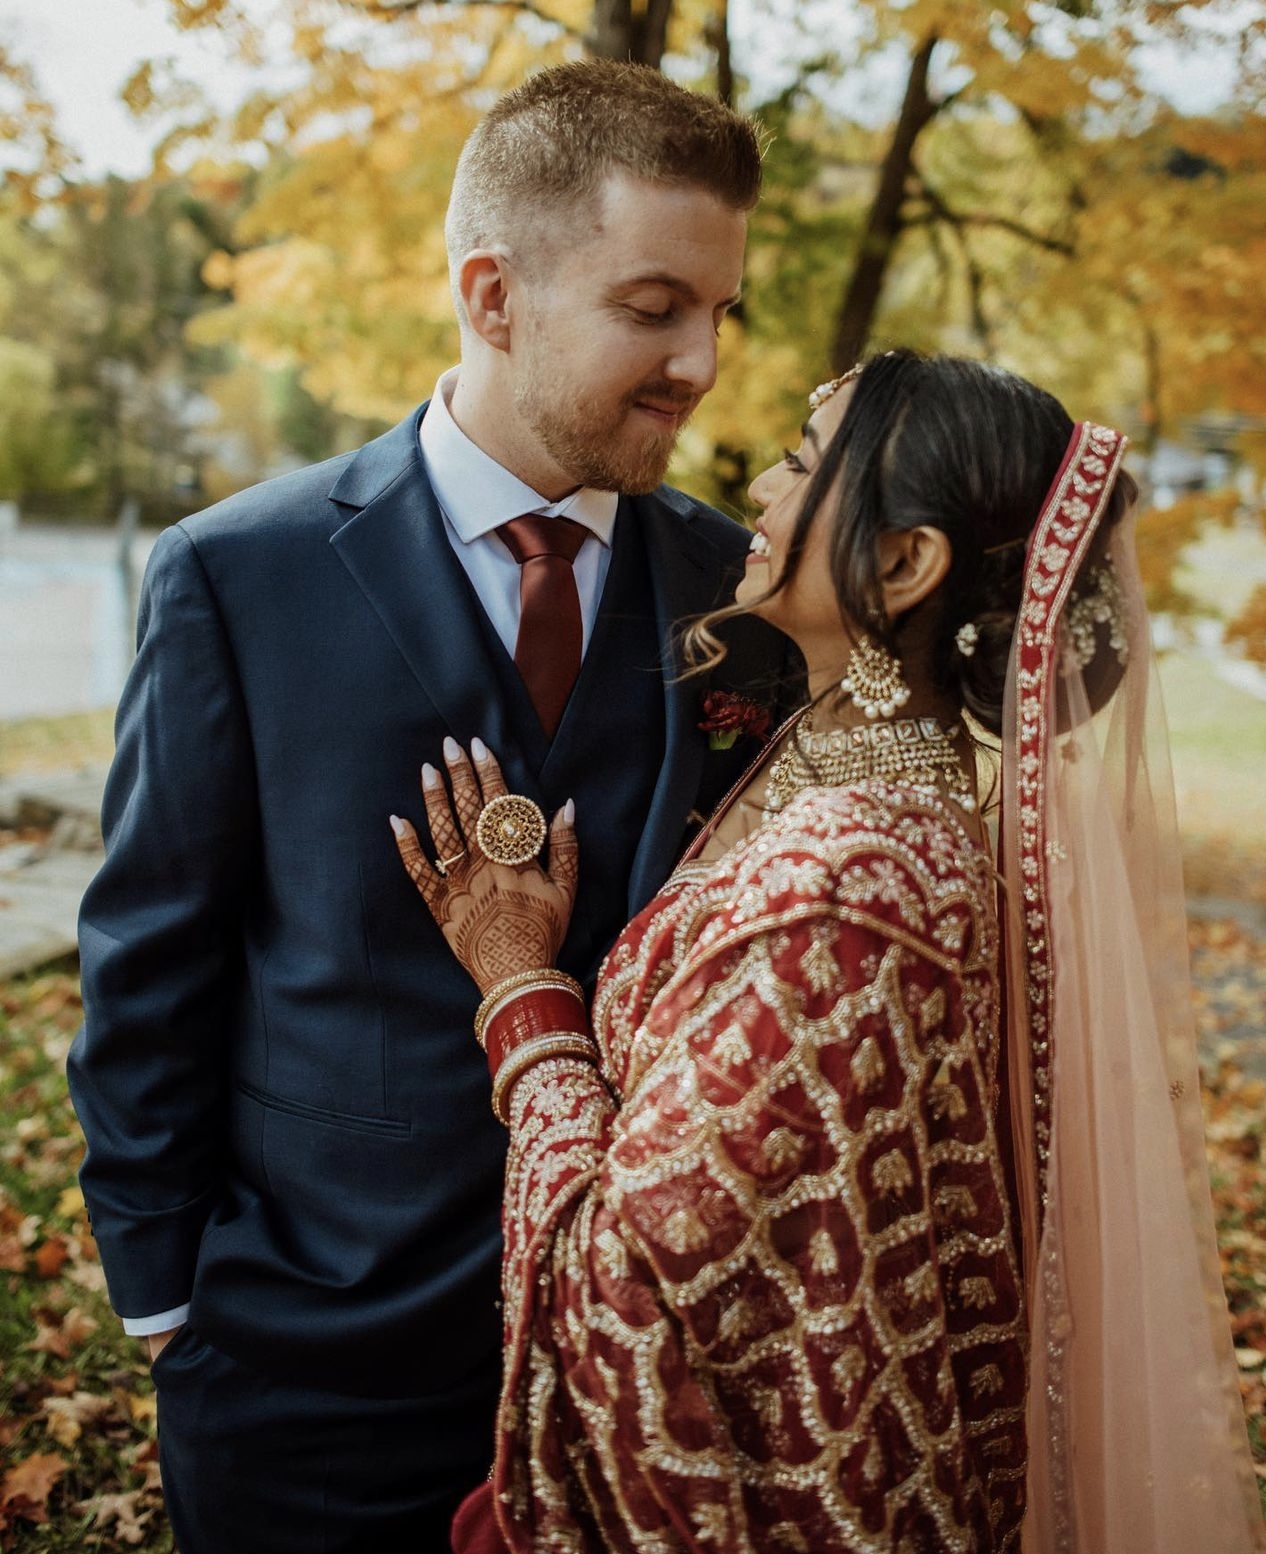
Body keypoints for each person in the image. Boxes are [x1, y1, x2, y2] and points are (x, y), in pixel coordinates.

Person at [67, 60, 797, 1552]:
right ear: (493, 294)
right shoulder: (238, 575)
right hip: (305, 1366)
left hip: (639, 1381)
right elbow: (151, 955)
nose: (701, 362)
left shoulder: (749, 595)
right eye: (653, 307)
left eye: (721, 312)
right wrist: (168, 1306)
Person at [395, 350, 1266, 1553]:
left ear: (905, 564)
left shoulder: (849, 891)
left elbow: (624, 1299)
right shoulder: (831, 771)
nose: (758, 486)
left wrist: (519, 989)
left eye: (802, 465)